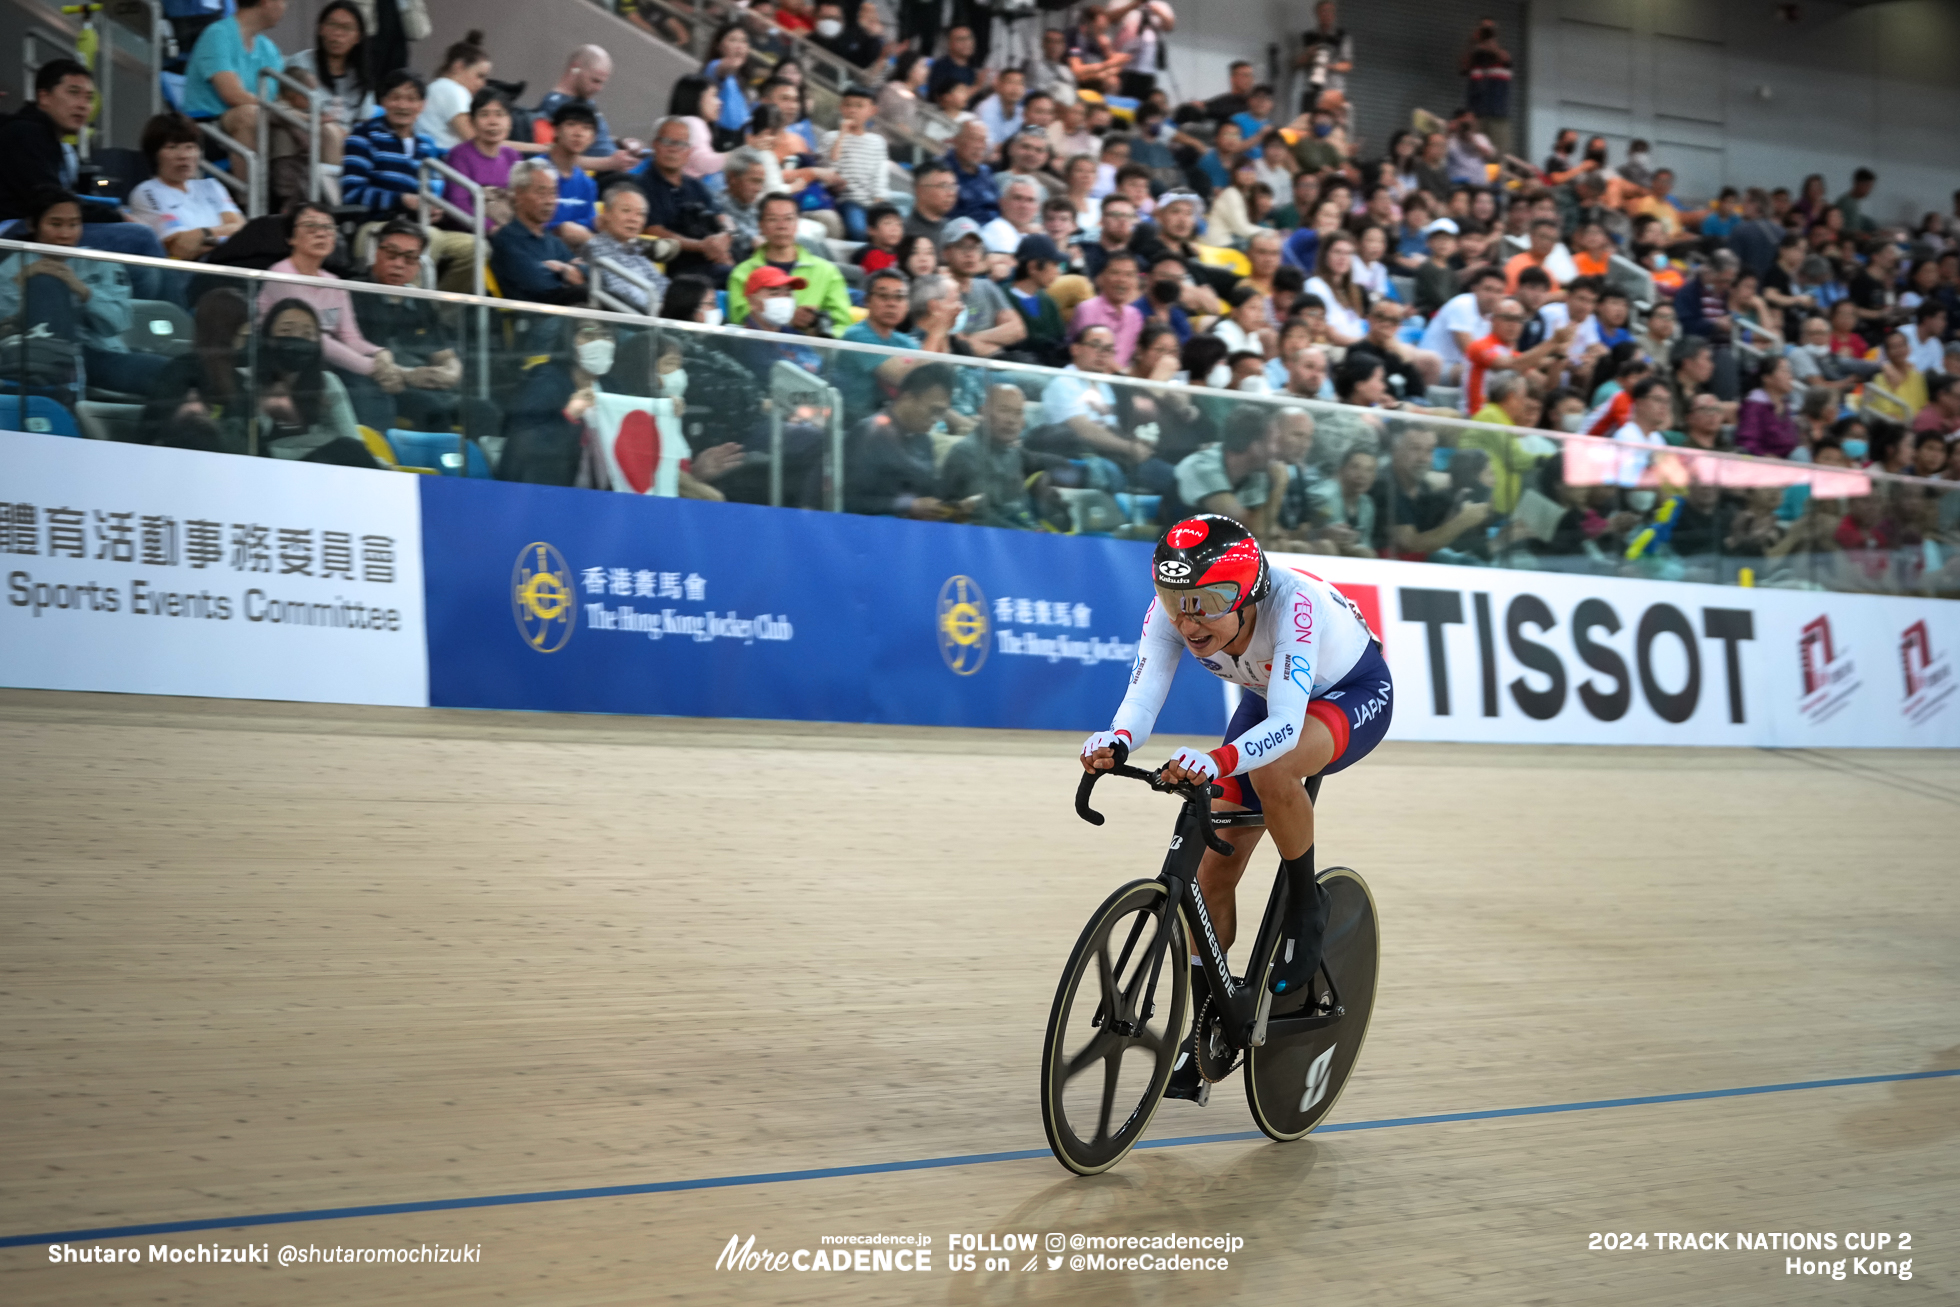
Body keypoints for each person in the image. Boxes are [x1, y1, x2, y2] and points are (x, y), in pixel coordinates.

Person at [1080, 512, 1391, 1104]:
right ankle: (1206, 1038)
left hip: (1348, 693)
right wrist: (1116, 741)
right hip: (1267, 699)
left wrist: (1219, 761)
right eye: (1176, 600)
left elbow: (1285, 726)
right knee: (1212, 872)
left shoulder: (1293, 604)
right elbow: (1142, 696)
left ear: (1247, 593)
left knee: (1274, 767)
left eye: (1210, 600)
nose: (1190, 619)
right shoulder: (1174, 617)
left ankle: (1307, 907)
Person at [0, 187, 163, 398]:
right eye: (55, 224)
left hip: (99, 356)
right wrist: (26, 286)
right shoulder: (11, 269)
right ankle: (59, 390)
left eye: (74, 224)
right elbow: (5, 329)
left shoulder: (100, 262)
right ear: (33, 225)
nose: (65, 234)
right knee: (45, 282)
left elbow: (119, 322)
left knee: (174, 372)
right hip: (37, 359)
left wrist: (82, 290)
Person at [257, 200, 400, 430]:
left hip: (323, 365)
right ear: (290, 238)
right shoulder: (281, 274)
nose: (321, 234)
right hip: (284, 365)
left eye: (328, 228)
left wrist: (380, 354)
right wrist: (372, 368)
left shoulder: (333, 283)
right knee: (364, 389)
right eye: (311, 227)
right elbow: (318, 339)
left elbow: (349, 337)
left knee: (387, 390)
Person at [352, 220, 470, 433]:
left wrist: (452, 372)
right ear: (376, 254)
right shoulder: (355, 292)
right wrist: (408, 374)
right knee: (432, 409)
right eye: (392, 254)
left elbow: (444, 354)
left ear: (418, 265)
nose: (399, 264)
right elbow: (355, 352)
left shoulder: (420, 301)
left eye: (409, 258)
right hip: (378, 385)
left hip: (423, 383)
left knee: (482, 409)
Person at [180, 0, 291, 197]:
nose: (286, 6)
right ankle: (249, 204)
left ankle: (297, 205)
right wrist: (281, 113)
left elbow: (283, 97)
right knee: (249, 115)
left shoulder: (269, 48)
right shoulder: (217, 35)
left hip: (262, 122)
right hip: (208, 126)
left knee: (318, 128)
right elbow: (233, 95)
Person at [249, 297, 373, 463]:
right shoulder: (247, 381)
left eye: (307, 333)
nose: (297, 339)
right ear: (267, 337)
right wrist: (324, 442)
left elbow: (351, 440)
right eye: (286, 331)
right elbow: (255, 449)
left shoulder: (328, 382)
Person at [499, 317, 618, 485]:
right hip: (544, 492)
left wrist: (666, 412)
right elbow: (523, 445)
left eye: (606, 336)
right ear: (568, 340)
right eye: (588, 335)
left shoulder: (611, 387)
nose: (599, 343)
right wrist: (568, 415)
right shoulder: (544, 382)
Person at [727, 192, 854, 333]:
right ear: (760, 226)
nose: (782, 226)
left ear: (797, 224)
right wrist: (788, 320)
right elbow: (738, 320)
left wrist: (819, 334)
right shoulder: (742, 273)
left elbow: (842, 324)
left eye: (788, 219)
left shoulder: (826, 271)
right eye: (772, 219)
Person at [128, 113, 246, 260]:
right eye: (172, 147)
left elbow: (242, 229)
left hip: (228, 260)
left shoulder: (211, 186)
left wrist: (201, 235)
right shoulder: (146, 191)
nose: (183, 155)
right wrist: (225, 234)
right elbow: (180, 245)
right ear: (154, 154)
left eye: (190, 147)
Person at [845, 362, 955, 518]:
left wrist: (953, 507)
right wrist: (908, 506)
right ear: (907, 398)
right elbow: (851, 501)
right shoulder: (869, 434)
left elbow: (928, 494)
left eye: (941, 413)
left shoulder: (923, 439)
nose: (936, 420)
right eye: (934, 410)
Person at [639, 116, 734, 280]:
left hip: (711, 259)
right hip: (676, 268)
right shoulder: (643, 185)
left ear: (689, 151)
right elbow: (653, 231)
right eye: (667, 141)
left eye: (681, 144)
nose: (673, 149)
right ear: (654, 145)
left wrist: (725, 237)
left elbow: (723, 218)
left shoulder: (696, 185)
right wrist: (702, 247)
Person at [940, 383, 1046, 529]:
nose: (1011, 420)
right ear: (983, 412)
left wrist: (1034, 528)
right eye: (1004, 410)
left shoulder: (1012, 453)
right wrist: (1025, 534)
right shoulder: (966, 452)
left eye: (1018, 413)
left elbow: (1019, 506)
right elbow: (979, 516)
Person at [1166, 405, 1279, 532]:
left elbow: (1265, 530)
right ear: (1255, 446)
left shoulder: (1257, 474)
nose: (1276, 451)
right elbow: (1251, 528)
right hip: (1172, 547)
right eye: (1273, 442)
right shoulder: (1202, 467)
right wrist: (1280, 484)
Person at [489, 160, 586, 304]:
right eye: (541, 192)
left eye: (553, 193)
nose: (549, 201)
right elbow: (541, 285)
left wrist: (562, 268)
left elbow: (587, 272)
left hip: (566, 317)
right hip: (533, 319)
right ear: (518, 194)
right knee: (587, 293)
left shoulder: (551, 239)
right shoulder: (506, 240)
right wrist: (567, 271)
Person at [533, 45, 640, 174]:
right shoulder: (556, 105)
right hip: (602, 175)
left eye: (602, 83)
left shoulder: (585, 100)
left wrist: (619, 142)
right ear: (575, 68)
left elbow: (594, 138)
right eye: (595, 81)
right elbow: (557, 156)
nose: (599, 89)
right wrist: (610, 163)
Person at [832, 268, 919, 422]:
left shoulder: (905, 342)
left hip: (896, 424)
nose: (891, 303)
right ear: (867, 301)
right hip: (856, 423)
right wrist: (937, 331)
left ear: (907, 305)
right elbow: (905, 379)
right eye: (883, 296)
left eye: (899, 298)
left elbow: (930, 386)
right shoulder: (856, 335)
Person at [939, 219, 1028, 357]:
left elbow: (1017, 329)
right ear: (946, 252)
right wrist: (993, 343)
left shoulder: (987, 286)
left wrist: (974, 339)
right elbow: (957, 346)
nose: (969, 254)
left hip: (997, 365)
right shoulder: (939, 291)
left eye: (975, 247)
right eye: (962, 246)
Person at [285, 1, 375, 136]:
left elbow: (365, 123)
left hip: (349, 148)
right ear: (321, 29)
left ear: (358, 37)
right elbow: (287, 110)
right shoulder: (300, 64)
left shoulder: (360, 76)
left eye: (346, 28)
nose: (337, 33)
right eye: (332, 25)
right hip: (309, 139)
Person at [443, 88, 522, 229]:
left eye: (500, 114)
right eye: (484, 115)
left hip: (509, 231)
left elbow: (523, 200)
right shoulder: (460, 155)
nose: (493, 122)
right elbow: (458, 202)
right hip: (472, 233)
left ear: (510, 121)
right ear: (472, 121)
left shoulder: (512, 156)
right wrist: (490, 228)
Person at [584, 186, 669, 313]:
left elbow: (662, 285)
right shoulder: (596, 249)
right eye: (626, 210)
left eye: (641, 214)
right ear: (606, 213)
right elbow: (624, 295)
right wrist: (666, 308)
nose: (634, 219)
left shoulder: (635, 249)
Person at [821, 84, 888, 241]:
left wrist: (880, 201)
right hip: (847, 200)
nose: (852, 110)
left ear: (872, 111)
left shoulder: (878, 142)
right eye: (848, 105)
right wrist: (842, 134)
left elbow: (880, 175)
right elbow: (829, 170)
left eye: (859, 106)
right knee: (858, 231)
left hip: (872, 202)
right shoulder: (831, 137)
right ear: (841, 108)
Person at [539, 101, 602, 246]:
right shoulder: (535, 171)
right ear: (556, 130)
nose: (578, 133)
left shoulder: (588, 184)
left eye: (586, 128)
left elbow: (589, 223)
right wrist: (562, 229)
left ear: (593, 138)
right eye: (571, 124)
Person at [417, 30, 491, 152]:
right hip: (442, 164)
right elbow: (478, 144)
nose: (483, 84)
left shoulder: (436, 86)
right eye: (479, 76)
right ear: (458, 66)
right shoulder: (454, 91)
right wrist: (531, 148)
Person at [1070, 249, 1146, 367]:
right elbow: (1090, 358)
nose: (1122, 279)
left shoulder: (1135, 316)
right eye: (1115, 273)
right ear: (1101, 278)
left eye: (1129, 275)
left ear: (1137, 281)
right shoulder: (1087, 309)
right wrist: (1122, 377)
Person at [905, 161, 959, 248]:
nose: (951, 193)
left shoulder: (955, 232)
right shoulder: (902, 232)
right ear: (920, 190)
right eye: (944, 186)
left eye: (953, 186)